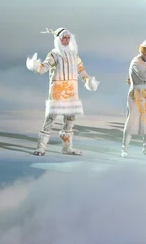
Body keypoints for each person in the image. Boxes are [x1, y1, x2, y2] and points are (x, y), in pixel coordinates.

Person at [26, 27, 99, 156]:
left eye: (68, 38)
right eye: (64, 38)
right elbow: (44, 67)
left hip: (71, 91)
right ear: (58, 39)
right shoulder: (54, 54)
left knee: (70, 119)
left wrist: (88, 81)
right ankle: (41, 148)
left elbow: (82, 71)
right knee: (50, 118)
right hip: (58, 91)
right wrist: (36, 66)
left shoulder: (74, 55)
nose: (66, 40)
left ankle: (67, 148)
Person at [122, 40, 146, 158]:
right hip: (136, 94)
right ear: (142, 51)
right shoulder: (136, 62)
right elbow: (145, 76)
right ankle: (124, 148)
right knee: (132, 121)